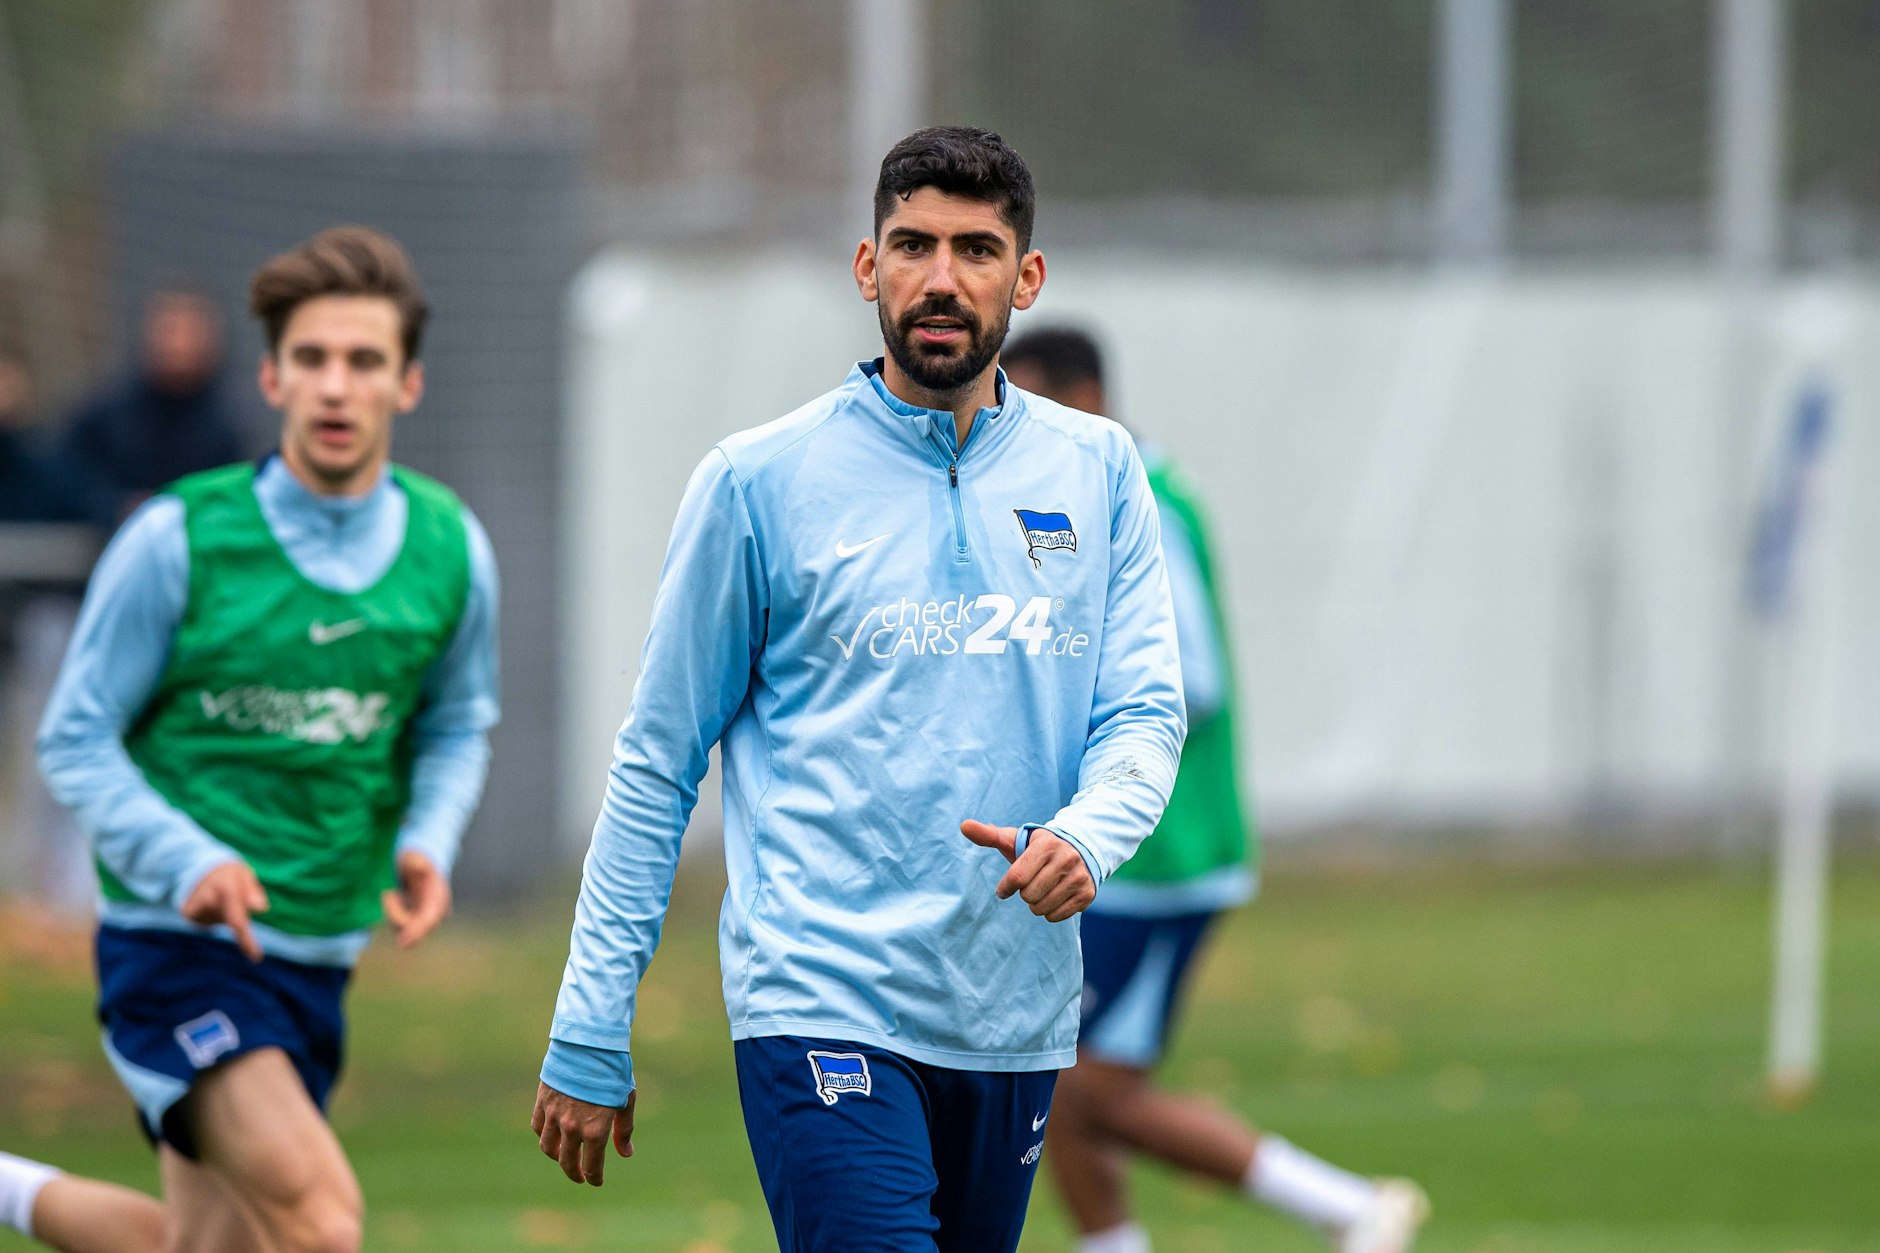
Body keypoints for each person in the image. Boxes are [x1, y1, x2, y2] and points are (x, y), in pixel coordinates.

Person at [531, 127, 1187, 1253]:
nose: (941, 278)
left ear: (1024, 277)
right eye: (912, 244)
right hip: (818, 997)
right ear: (866, 267)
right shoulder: (757, 481)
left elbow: (1142, 711)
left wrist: (1086, 835)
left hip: (1010, 1015)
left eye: (975, 249)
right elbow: (656, 760)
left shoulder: (1098, 470)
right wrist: (590, 1020)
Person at [0, 226, 500, 1253]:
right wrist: (190, 859)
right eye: (311, 358)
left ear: (405, 385)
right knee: (320, 1218)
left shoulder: (451, 548)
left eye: (363, 361)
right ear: (271, 374)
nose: (333, 385)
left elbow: (456, 721)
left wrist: (428, 841)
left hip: (317, 953)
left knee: (202, 1243)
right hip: (177, 949)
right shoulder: (179, 538)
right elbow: (75, 738)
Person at [1000, 326, 1429, 1253]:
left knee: (1086, 1089)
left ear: (1081, 400)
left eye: (1026, 404)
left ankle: (1347, 1207)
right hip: (1115, 855)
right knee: (1052, 1078)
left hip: (1163, 851)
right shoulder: (1100, 496)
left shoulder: (1141, 503)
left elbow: (1188, 680)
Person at [60, 282, 249, 524]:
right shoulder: (103, 415)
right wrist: (117, 507)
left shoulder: (226, 427)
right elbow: (68, 482)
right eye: (171, 330)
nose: (179, 346)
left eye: (190, 332)